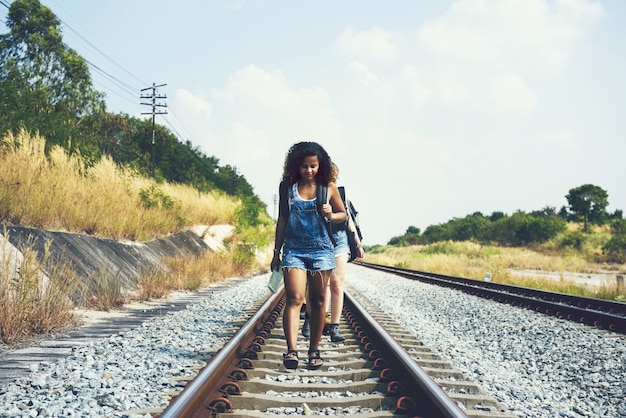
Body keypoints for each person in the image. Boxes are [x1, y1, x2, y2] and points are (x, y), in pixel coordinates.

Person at [271, 142, 346, 370]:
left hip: (322, 251)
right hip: (294, 250)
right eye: (304, 166)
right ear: (296, 166)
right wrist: (277, 252)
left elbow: (343, 215)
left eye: (313, 166)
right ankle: (291, 351)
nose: (309, 170)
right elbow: (282, 220)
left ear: (320, 165)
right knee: (294, 297)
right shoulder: (287, 187)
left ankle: (314, 350)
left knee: (319, 301)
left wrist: (332, 215)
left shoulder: (328, 187)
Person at [301, 163, 364, 342]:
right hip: (317, 241)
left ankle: (335, 327)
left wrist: (358, 244)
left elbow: (348, 219)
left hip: (339, 241)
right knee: (318, 285)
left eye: (332, 178)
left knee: (337, 283)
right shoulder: (309, 192)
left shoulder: (339, 194)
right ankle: (310, 319)